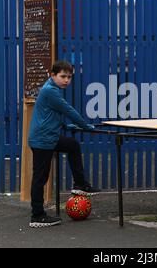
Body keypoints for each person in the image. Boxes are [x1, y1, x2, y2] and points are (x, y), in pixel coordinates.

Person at [28, 60, 100, 228]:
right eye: (63, 76)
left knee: (73, 146)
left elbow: (52, 115)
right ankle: (37, 216)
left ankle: (80, 184)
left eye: (69, 77)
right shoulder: (50, 91)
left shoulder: (52, 89)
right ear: (52, 75)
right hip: (43, 140)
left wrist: (67, 126)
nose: (66, 80)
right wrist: (85, 126)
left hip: (50, 137)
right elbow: (68, 110)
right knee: (40, 178)